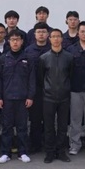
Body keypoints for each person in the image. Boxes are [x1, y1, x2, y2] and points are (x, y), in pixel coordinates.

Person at [0, 30, 35, 164]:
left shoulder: (28, 58)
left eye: (17, 39)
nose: (15, 42)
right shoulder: (3, 59)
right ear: (9, 42)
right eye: (12, 40)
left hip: (23, 98)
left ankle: (23, 152)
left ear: (22, 41)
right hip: (7, 98)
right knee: (7, 127)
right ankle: (5, 153)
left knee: (22, 127)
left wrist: (30, 96)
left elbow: (32, 79)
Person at [40, 28, 74, 163]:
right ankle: (49, 152)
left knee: (62, 127)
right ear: (49, 39)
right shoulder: (43, 58)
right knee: (48, 127)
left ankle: (61, 152)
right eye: (53, 36)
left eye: (58, 36)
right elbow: (41, 78)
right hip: (48, 97)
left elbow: (71, 75)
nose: (55, 39)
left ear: (62, 39)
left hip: (64, 97)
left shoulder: (69, 57)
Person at [66, 21, 85, 155]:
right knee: (75, 119)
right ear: (78, 33)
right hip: (75, 89)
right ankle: (75, 144)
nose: (84, 34)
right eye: (82, 31)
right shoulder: (70, 49)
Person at [25, 22, 51, 153]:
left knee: (49, 118)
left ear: (48, 34)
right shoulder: (28, 50)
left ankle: (49, 144)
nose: (41, 34)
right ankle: (35, 144)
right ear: (34, 34)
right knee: (35, 119)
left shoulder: (53, 48)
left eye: (44, 32)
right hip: (35, 89)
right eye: (39, 32)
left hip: (51, 89)